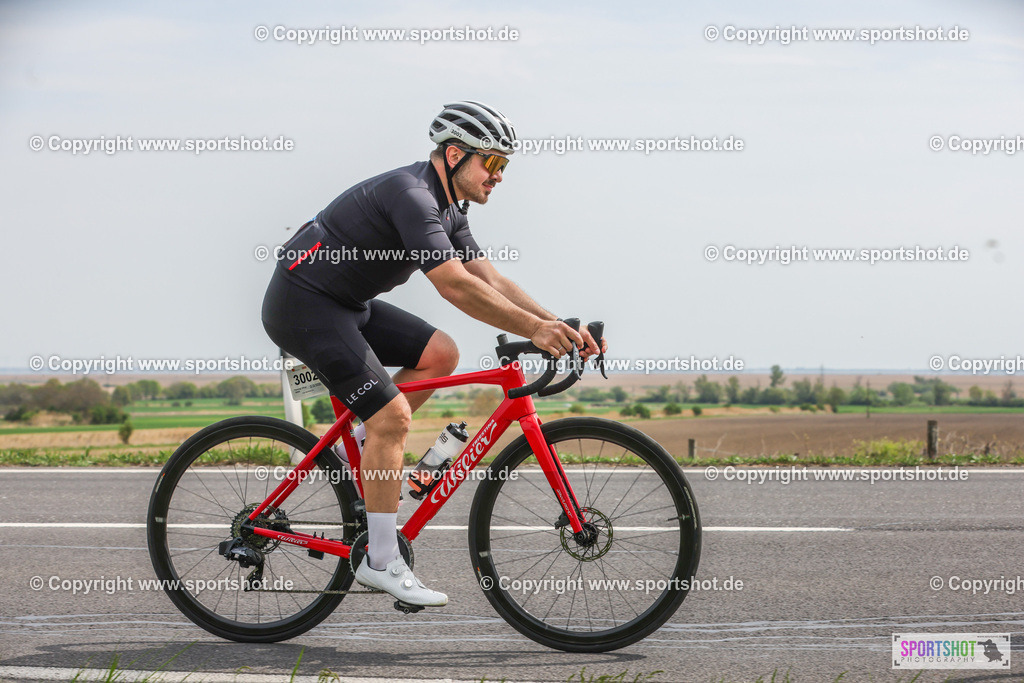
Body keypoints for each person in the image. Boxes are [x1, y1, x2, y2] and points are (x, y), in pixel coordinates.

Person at [261, 101, 606, 607]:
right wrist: (535, 329)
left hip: (345, 304)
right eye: (492, 162)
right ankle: (380, 561)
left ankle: (352, 448)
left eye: (504, 165)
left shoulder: (449, 208)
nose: (499, 176)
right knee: (393, 417)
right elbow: (455, 287)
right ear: (453, 154)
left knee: (441, 353)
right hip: (303, 304)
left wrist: (556, 325)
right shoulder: (412, 195)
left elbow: (489, 279)